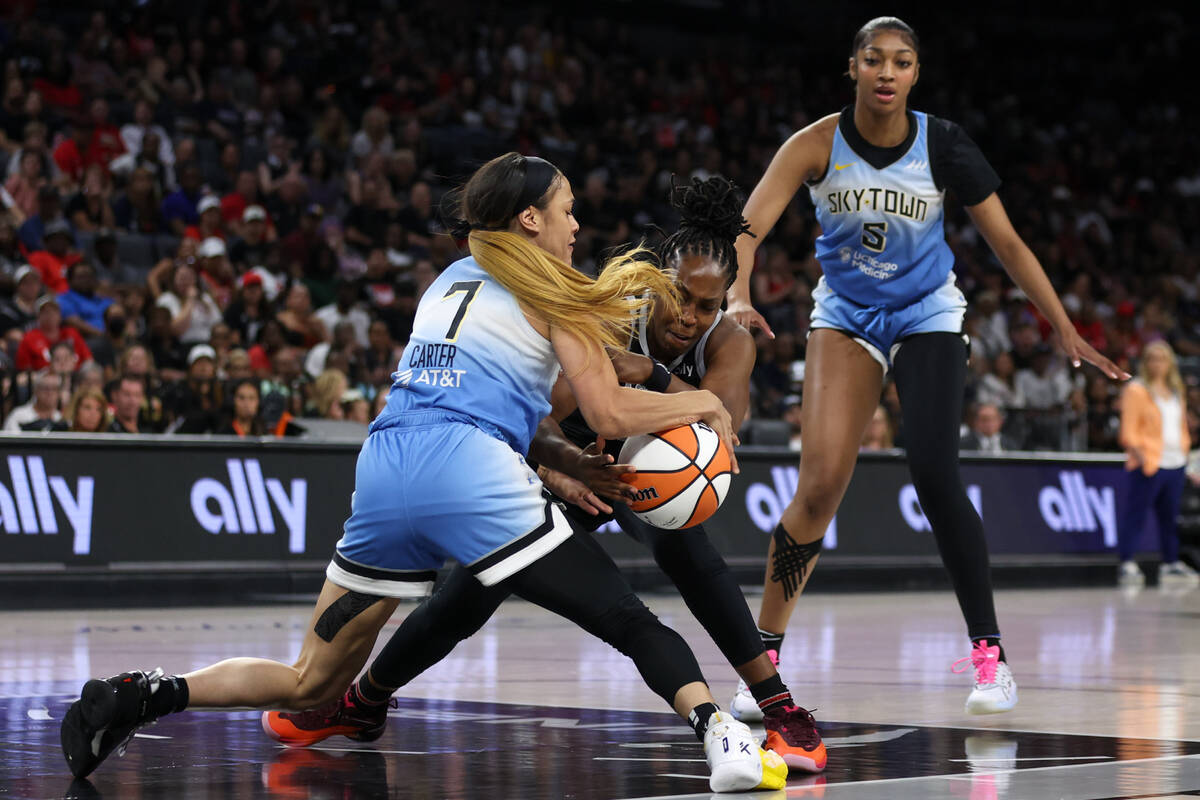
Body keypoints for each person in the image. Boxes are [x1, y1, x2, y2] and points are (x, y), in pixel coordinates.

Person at [60, 153, 784, 793]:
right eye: (566, 210)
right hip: (464, 469)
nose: (575, 225)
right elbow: (611, 411)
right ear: (530, 217)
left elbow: (506, 400)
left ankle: (149, 692)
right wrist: (702, 405)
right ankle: (722, 734)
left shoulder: (448, 279)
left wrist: (563, 464)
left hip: (383, 466)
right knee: (625, 618)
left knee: (312, 677)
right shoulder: (556, 289)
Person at [264, 176, 827, 773]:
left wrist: (652, 375)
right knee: (472, 591)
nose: (690, 317)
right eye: (680, 298)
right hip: (576, 458)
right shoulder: (613, 313)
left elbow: (722, 428)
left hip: (654, 472)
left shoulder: (731, 341)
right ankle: (362, 702)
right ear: (658, 283)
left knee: (687, 549)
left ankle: (777, 704)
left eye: (708, 306)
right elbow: (539, 416)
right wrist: (560, 475)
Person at [723, 17, 1126, 715]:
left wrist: (1064, 328)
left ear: (916, 73)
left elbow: (1008, 243)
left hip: (926, 315)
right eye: (874, 59)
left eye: (901, 62)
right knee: (817, 487)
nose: (887, 71)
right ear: (852, 67)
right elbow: (744, 231)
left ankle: (991, 660)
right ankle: (766, 663)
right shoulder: (815, 144)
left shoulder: (943, 144)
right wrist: (736, 298)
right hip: (845, 317)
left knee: (937, 474)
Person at [1116, 341, 1200, 587]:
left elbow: (1181, 426)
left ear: (1170, 363)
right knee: (1137, 514)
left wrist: (1184, 452)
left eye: (1162, 358)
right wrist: (1140, 455)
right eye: (1152, 358)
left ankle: (1170, 562)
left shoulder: (1175, 390)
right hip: (1150, 462)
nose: (1157, 364)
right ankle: (1127, 561)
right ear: (1145, 362)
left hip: (1175, 462)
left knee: (1170, 516)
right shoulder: (1137, 389)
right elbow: (1128, 430)